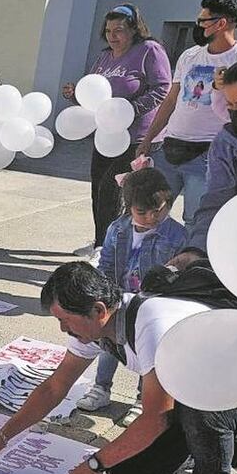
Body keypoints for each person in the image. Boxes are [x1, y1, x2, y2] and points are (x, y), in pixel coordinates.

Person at [0, 262, 237, 474]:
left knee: (204, 406)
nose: (63, 329)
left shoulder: (152, 326)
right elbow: (55, 387)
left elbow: (156, 417)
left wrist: (93, 465)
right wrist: (2, 436)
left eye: (65, 320)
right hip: (220, 388)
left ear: (98, 310)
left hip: (231, 391)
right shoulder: (94, 327)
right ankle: (221, 451)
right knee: (128, 471)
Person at [61, 4, 171, 258]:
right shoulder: (104, 57)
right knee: (98, 187)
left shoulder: (149, 50)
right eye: (108, 30)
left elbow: (162, 88)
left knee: (114, 189)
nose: (112, 35)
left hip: (136, 137)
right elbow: (95, 93)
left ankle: (107, 248)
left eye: (119, 30)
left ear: (134, 29)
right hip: (105, 135)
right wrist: (75, 94)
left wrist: (130, 109)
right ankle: (100, 241)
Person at [76, 168, 185, 421]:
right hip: (118, 298)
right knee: (109, 345)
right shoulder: (118, 228)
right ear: (129, 206)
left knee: (148, 351)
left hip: (151, 304)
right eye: (142, 212)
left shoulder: (176, 235)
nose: (151, 217)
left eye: (159, 210)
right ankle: (101, 387)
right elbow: (106, 263)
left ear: (168, 202)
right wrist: (103, 294)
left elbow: (176, 275)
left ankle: (142, 398)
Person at [136, 0, 237, 228]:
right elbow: (171, 100)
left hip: (207, 154)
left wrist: (222, 87)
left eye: (203, 21)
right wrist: (148, 139)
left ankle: (188, 265)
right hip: (170, 147)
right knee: (149, 213)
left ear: (221, 23)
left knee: (196, 220)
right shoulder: (190, 55)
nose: (198, 26)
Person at [169, 57, 237, 271]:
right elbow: (216, 200)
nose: (236, 112)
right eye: (230, 105)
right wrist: (195, 249)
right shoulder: (225, 143)